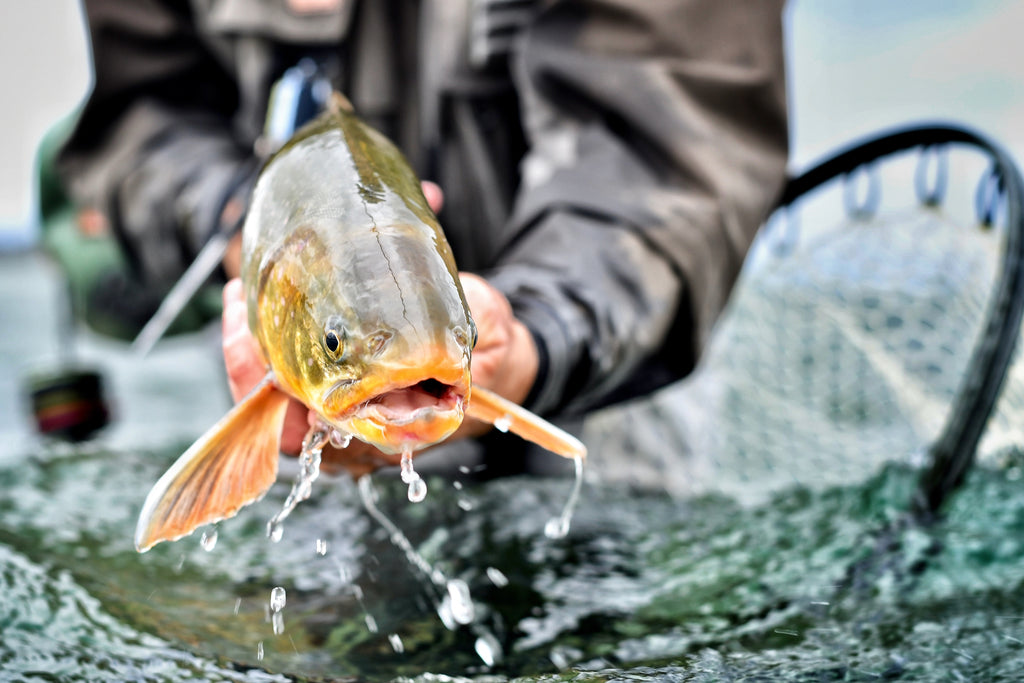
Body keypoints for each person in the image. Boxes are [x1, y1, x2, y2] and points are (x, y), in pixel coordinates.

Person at [57, 0, 790, 477]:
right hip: (303, 360)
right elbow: (145, 115)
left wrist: (531, 338)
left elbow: (666, 148)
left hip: (589, 358)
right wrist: (235, 223)